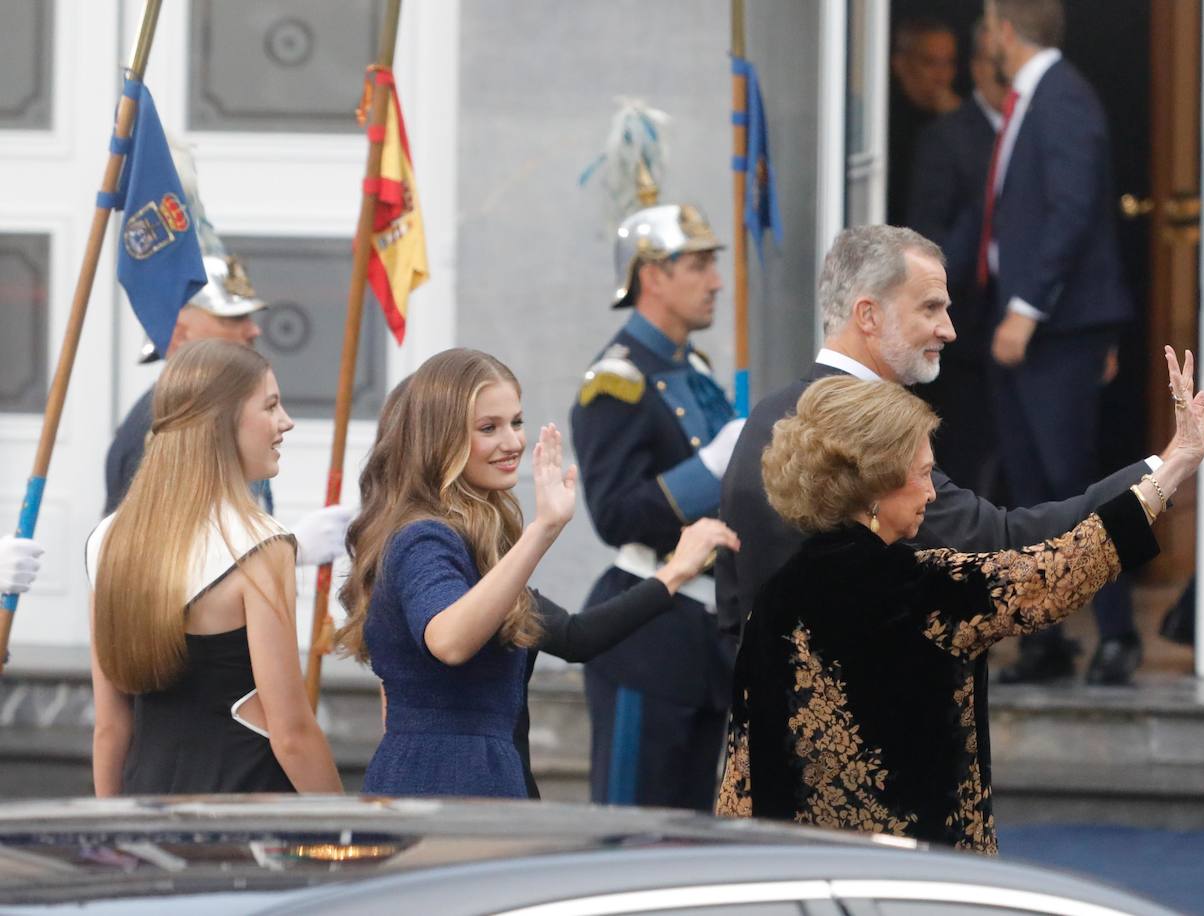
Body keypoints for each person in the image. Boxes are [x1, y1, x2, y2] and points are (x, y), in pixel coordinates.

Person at [717, 354, 1204, 852]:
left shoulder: (775, 598)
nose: (930, 494)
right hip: (908, 871)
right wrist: (1173, 468)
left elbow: (742, 773)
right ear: (876, 484)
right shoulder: (922, 587)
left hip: (804, 869)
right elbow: (1054, 572)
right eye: (923, 474)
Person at [715, 226, 1204, 653]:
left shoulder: (763, 417)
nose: (950, 330)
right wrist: (1166, 470)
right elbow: (1004, 545)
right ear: (868, 315)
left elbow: (731, 607)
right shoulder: (867, 433)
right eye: (930, 308)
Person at [337, 349, 737, 798]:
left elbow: (573, 636)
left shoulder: (478, 542)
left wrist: (676, 573)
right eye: (489, 428)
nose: (512, 442)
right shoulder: (423, 538)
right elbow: (448, 641)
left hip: (489, 778)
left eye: (516, 422)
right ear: (441, 439)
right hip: (442, 787)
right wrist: (543, 529)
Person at [87, 340, 342, 795]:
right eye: (271, 406)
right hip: (246, 814)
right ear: (220, 421)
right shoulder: (262, 545)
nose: (286, 422)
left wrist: (110, 834)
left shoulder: (108, 539)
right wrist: (345, 831)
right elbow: (292, 732)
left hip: (146, 807)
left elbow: (109, 726)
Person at [979, 0, 1138, 684]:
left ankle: (1121, 634)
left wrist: (1024, 309)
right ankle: (1046, 639)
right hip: (1032, 328)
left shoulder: (1063, 97)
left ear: (1007, 31)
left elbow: (1074, 213)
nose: (984, 38)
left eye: (987, 25)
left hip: (1056, 330)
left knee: (1084, 489)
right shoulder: (1030, 99)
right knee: (1034, 492)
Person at [570, 203, 745, 811]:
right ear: (653, 276)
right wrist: (710, 469)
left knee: (693, 840)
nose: (716, 281)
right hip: (646, 635)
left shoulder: (692, 368)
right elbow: (615, 514)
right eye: (698, 265)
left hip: (705, 636)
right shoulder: (615, 381)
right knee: (631, 830)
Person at [103, 149, 353, 569]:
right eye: (232, 317)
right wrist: (287, 552)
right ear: (180, 328)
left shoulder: (214, 408)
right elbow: (154, 563)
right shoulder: (163, 421)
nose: (253, 329)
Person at [908, 16, 1008, 493]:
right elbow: (927, 246)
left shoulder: (1039, 126)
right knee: (969, 464)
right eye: (995, 63)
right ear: (977, 68)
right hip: (964, 328)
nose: (1006, 74)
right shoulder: (945, 138)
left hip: (1029, 332)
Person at [888, 17, 962, 225]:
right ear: (900, 65)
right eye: (929, 63)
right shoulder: (884, 123)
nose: (942, 76)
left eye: (949, 63)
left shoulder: (957, 117)